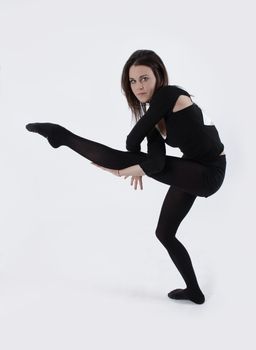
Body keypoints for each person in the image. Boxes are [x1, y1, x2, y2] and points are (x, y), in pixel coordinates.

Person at [25, 49, 226, 305]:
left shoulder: (169, 94)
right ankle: (194, 291)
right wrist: (142, 166)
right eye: (132, 82)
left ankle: (62, 136)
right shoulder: (155, 116)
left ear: (158, 76)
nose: (138, 87)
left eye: (144, 78)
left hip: (210, 172)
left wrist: (128, 169)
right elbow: (154, 161)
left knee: (135, 164)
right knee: (164, 233)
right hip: (193, 168)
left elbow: (133, 142)